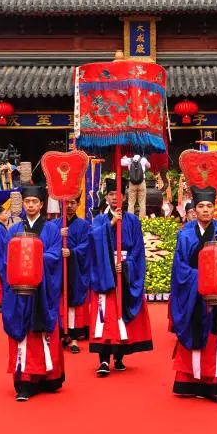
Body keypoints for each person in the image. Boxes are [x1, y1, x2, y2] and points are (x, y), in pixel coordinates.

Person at [169, 184, 217, 403]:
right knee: (195, 332)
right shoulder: (185, 235)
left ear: (214, 208)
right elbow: (179, 267)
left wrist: (216, 280)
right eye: (201, 206)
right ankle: (192, 382)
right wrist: (201, 278)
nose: (205, 210)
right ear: (195, 210)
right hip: (193, 295)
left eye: (209, 206)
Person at [0, 185, 64, 401]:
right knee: (24, 334)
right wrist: (22, 268)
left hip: (43, 290)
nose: (30, 205)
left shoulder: (51, 229)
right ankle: (25, 381)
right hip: (20, 291)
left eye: (34, 202)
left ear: (42, 204)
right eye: (27, 202)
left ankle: (47, 377)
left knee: (42, 333)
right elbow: (6, 260)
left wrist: (33, 257)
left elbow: (55, 255)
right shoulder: (13, 230)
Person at [88, 179, 152, 375]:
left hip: (125, 271)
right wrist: (111, 224)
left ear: (124, 197)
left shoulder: (132, 220)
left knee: (122, 315)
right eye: (111, 194)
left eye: (118, 194)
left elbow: (138, 249)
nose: (115, 198)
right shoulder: (100, 219)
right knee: (105, 316)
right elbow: (94, 241)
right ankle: (103, 359)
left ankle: (119, 356)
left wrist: (126, 266)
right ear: (106, 197)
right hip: (106, 272)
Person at [50, 198, 91, 353]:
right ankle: (62, 334)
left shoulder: (84, 225)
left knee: (73, 302)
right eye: (66, 203)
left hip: (75, 268)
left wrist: (72, 252)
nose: (69, 206)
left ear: (78, 204)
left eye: (73, 203)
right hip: (58, 267)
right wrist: (58, 235)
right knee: (59, 300)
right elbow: (47, 244)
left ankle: (74, 338)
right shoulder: (54, 225)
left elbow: (86, 246)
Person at [121, 153, 151, 217]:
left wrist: (124, 158)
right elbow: (149, 166)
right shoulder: (143, 159)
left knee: (131, 202)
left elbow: (121, 162)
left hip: (132, 183)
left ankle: (131, 218)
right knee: (142, 202)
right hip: (142, 182)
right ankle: (142, 219)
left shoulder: (129, 160)